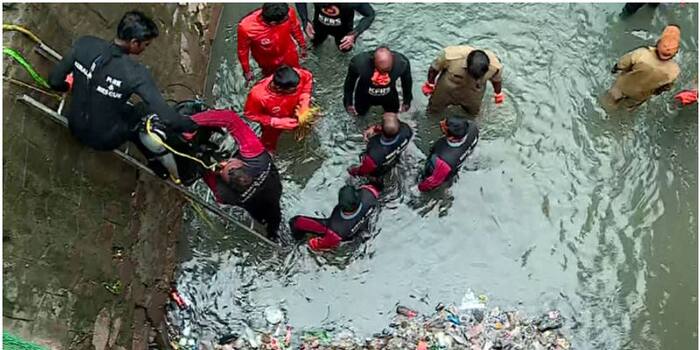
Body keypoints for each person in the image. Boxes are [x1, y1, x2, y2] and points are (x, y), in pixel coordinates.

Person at [48, 11, 197, 175]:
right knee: (143, 112)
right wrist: (192, 124)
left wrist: (69, 86)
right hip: (103, 139)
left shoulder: (84, 44)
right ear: (134, 43)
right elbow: (169, 119)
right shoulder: (136, 73)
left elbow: (54, 81)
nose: (145, 49)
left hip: (74, 125)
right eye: (145, 45)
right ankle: (154, 161)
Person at [191, 109, 282, 240]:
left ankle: (271, 232)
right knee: (274, 214)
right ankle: (273, 233)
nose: (224, 163)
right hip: (273, 191)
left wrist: (190, 123)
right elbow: (230, 118)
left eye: (225, 165)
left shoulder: (226, 194)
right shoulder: (259, 158)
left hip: (254, 202)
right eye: (228, 163)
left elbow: (203, 171)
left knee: (261, 215)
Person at [606, 25, 681, 110]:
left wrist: (614, 70)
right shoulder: (674, 71)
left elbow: (621, 64)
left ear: (658, 43)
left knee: (608, 103)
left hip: (622, 87)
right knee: (628, 109)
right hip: (639, 97)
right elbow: (664, 89)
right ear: (676, 51)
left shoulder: (642, 54)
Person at [289, 184, 380, 251]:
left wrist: (312, 242)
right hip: (359, 228)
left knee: (296, 222)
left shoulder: (336, 230)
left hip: (338, 234)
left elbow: (316, 244)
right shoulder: (370, 193)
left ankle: (292, 241)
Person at [244, 65, 313, 152]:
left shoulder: (296, 75)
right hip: (274, 121)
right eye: (292, 90)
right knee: (269, 143)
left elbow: (308, 78)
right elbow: (250, 114)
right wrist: (274, 122)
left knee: (306, 126)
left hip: (297, 111)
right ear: (279, 88)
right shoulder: (258, 95)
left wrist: (305, 100)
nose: (297, 90)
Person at [422, 45, 504, 117]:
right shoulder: (450, 56)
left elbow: (497, 80)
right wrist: (430, 84)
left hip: (474, 92)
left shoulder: (495, 67)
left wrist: (498, 94)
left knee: (473, 114)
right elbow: (434, 69)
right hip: (447, 89)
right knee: (433, 110)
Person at [237, 3, 306, 83]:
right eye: (285, 19)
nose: (288, 17)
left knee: (296, 74)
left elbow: (295, 29)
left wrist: (302, 45)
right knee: (270, 79)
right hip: (267, 60)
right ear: (273, 23)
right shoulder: (246, 28)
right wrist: (247, 70)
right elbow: (242, 51)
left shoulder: (287, 12)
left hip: (288, 52)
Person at [343, 46, 413, 116]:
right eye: (380, 71)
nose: (384, 76)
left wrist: (407, 101)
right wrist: (348, 103)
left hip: (389, 94)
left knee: (393, 116)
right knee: (359, 115)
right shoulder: (359, 63)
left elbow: (407, 82)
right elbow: (349, 83)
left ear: (392, 57)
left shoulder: (402, 63)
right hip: (364, 94)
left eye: (387, 71)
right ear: (373, 61)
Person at [347, 112, 413, 182]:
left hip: (377, 168)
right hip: (392, 160)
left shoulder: (375, 152)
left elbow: (363, 171)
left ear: (381, 128)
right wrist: (375, 128)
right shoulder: (406, 130)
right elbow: (392, 129)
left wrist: (352, 171)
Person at [418, 116, 479, 192]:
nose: (441, 123)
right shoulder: (472, 128)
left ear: (451, 138)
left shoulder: (443, 160)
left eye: (445, 127)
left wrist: (421, 188)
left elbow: (432, 182)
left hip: (443, 172)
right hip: (457, 164)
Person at [294, 3, 375, 52]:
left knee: (344, 50)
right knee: (315, 43)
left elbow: (370, 14)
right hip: (319, 25)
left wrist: (354, 34)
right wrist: (305, 20)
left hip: (343, 30)